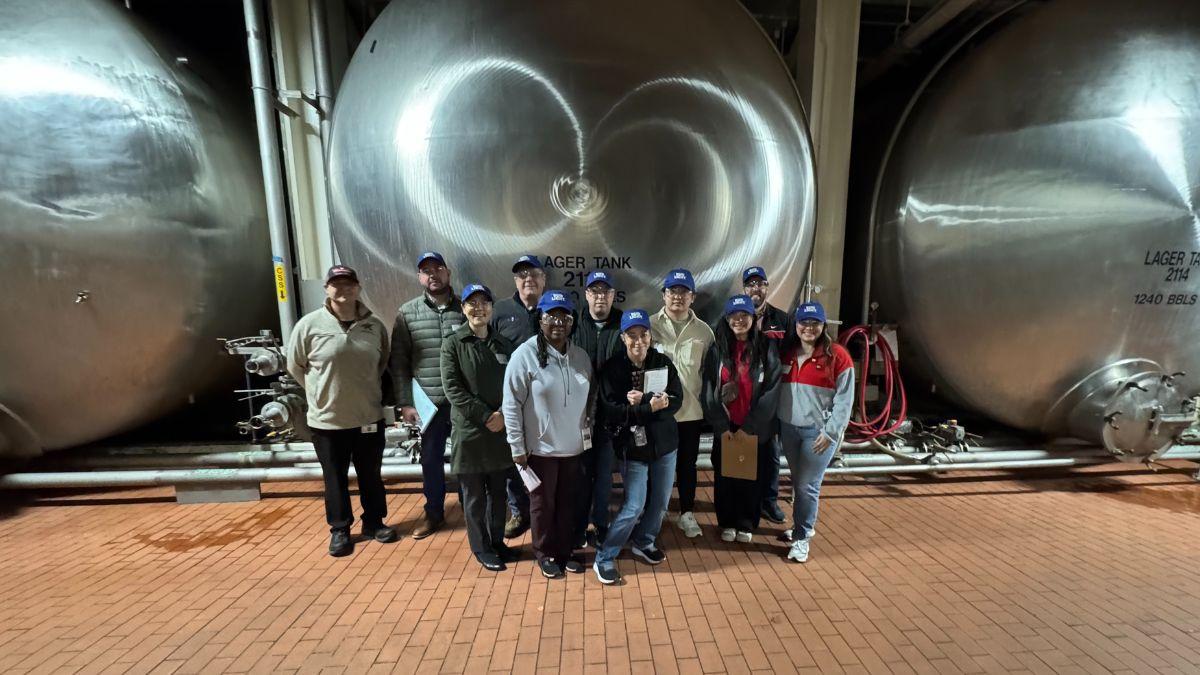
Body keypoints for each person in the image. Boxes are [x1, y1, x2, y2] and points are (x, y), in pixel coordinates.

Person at [286, 265, 398, 557]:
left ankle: (374, 522)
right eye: (336, 284)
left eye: (349, 283)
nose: (343, 289)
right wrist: (319, 392)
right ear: (327, 289)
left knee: (371, 474)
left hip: (367, 416)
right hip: (327, 421)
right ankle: (340, 529)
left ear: (358, 287)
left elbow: (382, 362)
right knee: (334, 477)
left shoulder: (374, 325)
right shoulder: (309, 325)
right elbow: (295, 366)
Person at [501, 290, 593, 579]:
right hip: (540, 450)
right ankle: (544, 552)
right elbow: (511, 403)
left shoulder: (580, 356)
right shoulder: (524, 355)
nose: (558, 323)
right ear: (539, 320)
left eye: (564, 317)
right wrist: (517, 445)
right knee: (542, 505)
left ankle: (565, 552)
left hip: (573, 449)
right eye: (550, 316)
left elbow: (589, 400)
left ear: (572, 322)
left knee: (568, 504)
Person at [592, 309, 682, 585]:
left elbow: (677, 399)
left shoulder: (662, 362)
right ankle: (605, 557)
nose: (638, 341)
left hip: (665, 446)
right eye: (631, 336)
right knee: (634, 505)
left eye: (643, 335)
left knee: (661, 502)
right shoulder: (612, 369)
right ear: (622, 338)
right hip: (633, 448)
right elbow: (612, 411)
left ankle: (644, 540)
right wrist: (647, 408)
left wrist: (653, 404)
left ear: (650, 336)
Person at [440, 283, 520, 571]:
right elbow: (453, 390)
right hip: (472, 434)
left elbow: (514, 385)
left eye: (484, 302)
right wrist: (488, 415)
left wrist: (503, 414)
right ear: (463, 309)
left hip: (499, 434)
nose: (478, 308)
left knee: (498, 496)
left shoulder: (502, 344)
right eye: (472, 303)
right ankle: (481, 548)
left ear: (491, 308)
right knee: (474, 499)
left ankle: (497, 542)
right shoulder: (453, 344)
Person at [388, 251, 466, 539]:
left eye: (438, 268)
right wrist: (405, 403)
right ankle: (434, 513)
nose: (432, 274)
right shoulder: (407, 313)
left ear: (448, 273)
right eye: (426, 270)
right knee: (430, 460)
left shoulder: (466, 308)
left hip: (462, 403)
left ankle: (469, 508)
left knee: (465, 459)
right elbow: (399, 363)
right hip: (428, 404)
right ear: (420, 277)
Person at [700, 294, 782, 543]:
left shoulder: (767, 347)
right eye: (733, 316)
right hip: (727, 426)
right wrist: (721, 425)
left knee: (751, 477)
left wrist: (751, 425)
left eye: (744, 315)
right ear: (726, 319)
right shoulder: (717, 349)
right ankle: (727, 521)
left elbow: (772, 387)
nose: (739, 320)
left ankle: (746, 523)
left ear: (753, 317)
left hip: (753, 427)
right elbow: (708, 388)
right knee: (726, 477)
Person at [778, 301, 854, 562]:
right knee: (798, 483)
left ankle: (802, 537)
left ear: (823, 326)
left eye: (815, 323)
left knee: (808, 486)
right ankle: (800, 525)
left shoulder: (838, 356)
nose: (809, 328)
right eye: (804, 322)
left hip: (818, 434)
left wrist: (831, 432)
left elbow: (845, 400)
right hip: (789, 429)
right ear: (796, 325)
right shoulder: (786, 353)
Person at [649, 268, 714, 539]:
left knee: (687, 465)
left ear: (692, 297)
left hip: (690, 412)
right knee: (656, 464)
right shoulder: (649, 325)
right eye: (672, 291)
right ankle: (657, 511)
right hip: (658, 412)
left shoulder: (704, 332)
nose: (677, 297)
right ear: (664, 295)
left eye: (683, 292)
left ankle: (686, 512)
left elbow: (710, 374)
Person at [489, 253, 545, 539]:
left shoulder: (551, 309)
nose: (528, 280)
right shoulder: (499, 311)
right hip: (510, 399)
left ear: (543, 280)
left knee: (544, 458)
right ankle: (519, 511)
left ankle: (542, 510)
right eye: (522, 275)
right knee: (515, 459)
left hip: (544, 401)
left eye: (534, 274)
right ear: (515, 281)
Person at [570, 271, 624, 547]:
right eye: (595, 291)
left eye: (606, 292)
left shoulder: (622, 322)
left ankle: (600, 523)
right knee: (579, 475)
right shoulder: (574, 322)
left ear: (613, 296)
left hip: (609, 416)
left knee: (603, 474)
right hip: (577, 416)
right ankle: (579, 525)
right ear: (587, 295)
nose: (600, 297)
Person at [742, 266, 790, 524]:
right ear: (744, 289)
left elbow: (792, 355)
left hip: (771, 398)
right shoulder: (736, 318)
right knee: (744, 452)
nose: (756, 289)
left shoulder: (782, 320)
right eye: (750, 284)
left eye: (760, 284)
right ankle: (745, 501)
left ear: (767, 287)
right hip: (743, 399)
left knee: (771, 452)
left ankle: (769, 501)